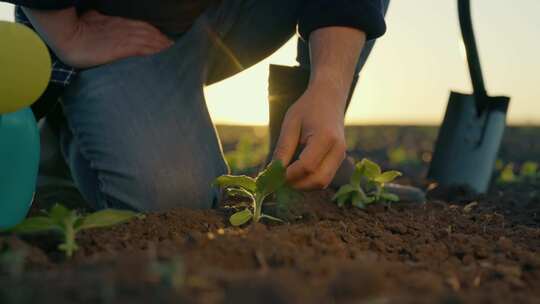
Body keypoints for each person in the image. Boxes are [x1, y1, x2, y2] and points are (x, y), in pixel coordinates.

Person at [4, 0, 422, 211]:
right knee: (172, 201)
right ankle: (65, 126)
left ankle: (304, 160)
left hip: (245, 12)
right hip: (123, 22)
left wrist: (329, 85)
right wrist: (66, 31)